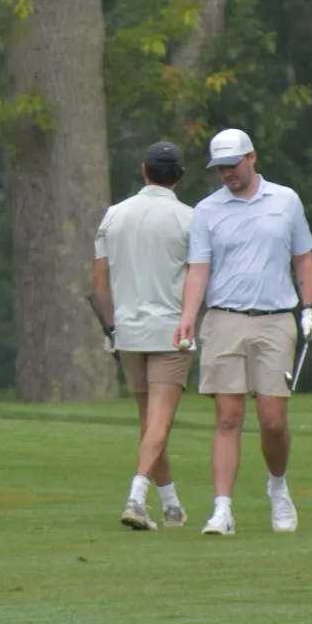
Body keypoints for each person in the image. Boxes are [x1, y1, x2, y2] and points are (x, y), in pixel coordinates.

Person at [173, 127, 312, 536]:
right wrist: (188, 315)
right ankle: (222, 510)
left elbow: (304, 260)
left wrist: (308, 308)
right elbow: (199, 268)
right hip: (223, 318)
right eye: (220, 168)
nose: (227, 174)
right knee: (228, 416)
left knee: (272, 420)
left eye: (233, 165)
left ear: (251, 158)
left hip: (276, 318)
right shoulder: (207, 210)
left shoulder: (285, 201)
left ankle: (278, 487)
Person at [92, 141, 196, 531]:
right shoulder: (190, 219)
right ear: (181, 175)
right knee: (160, 422)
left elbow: (99, 279)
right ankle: (136, 498)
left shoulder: (114, 215)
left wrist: (110, 329)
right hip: (172, 331)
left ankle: (171, 506)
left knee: (150, 421)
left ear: (144, 169)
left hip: (129, 332)